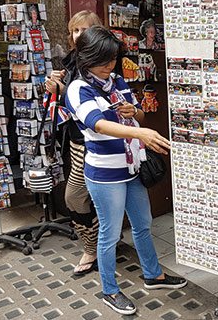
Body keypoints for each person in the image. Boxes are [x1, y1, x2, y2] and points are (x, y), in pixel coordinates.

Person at [65, 26, 185, 315]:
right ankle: (110, 290)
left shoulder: (116, 81)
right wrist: (141, 134)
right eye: (104, 60)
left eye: (113, 59)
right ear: (86, 57)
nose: (110, 65)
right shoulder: (78, 89)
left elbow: (138, 112)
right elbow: (97, 124)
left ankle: (153, 275)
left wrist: (136, 115)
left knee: (143, 225)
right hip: (105, 174)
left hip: (132, 167)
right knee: (109, 233)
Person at [44, 10, 103, 276]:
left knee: (75, 196)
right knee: (85, 196)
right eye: (75, 31)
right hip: (77, 138)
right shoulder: (71, 60)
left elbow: (98, 97)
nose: (79, 35)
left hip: (99, 139)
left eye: (84, 29)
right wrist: (53, 87)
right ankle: (98, 246)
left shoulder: (103, 58)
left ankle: (93, 248)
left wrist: (62, 90)